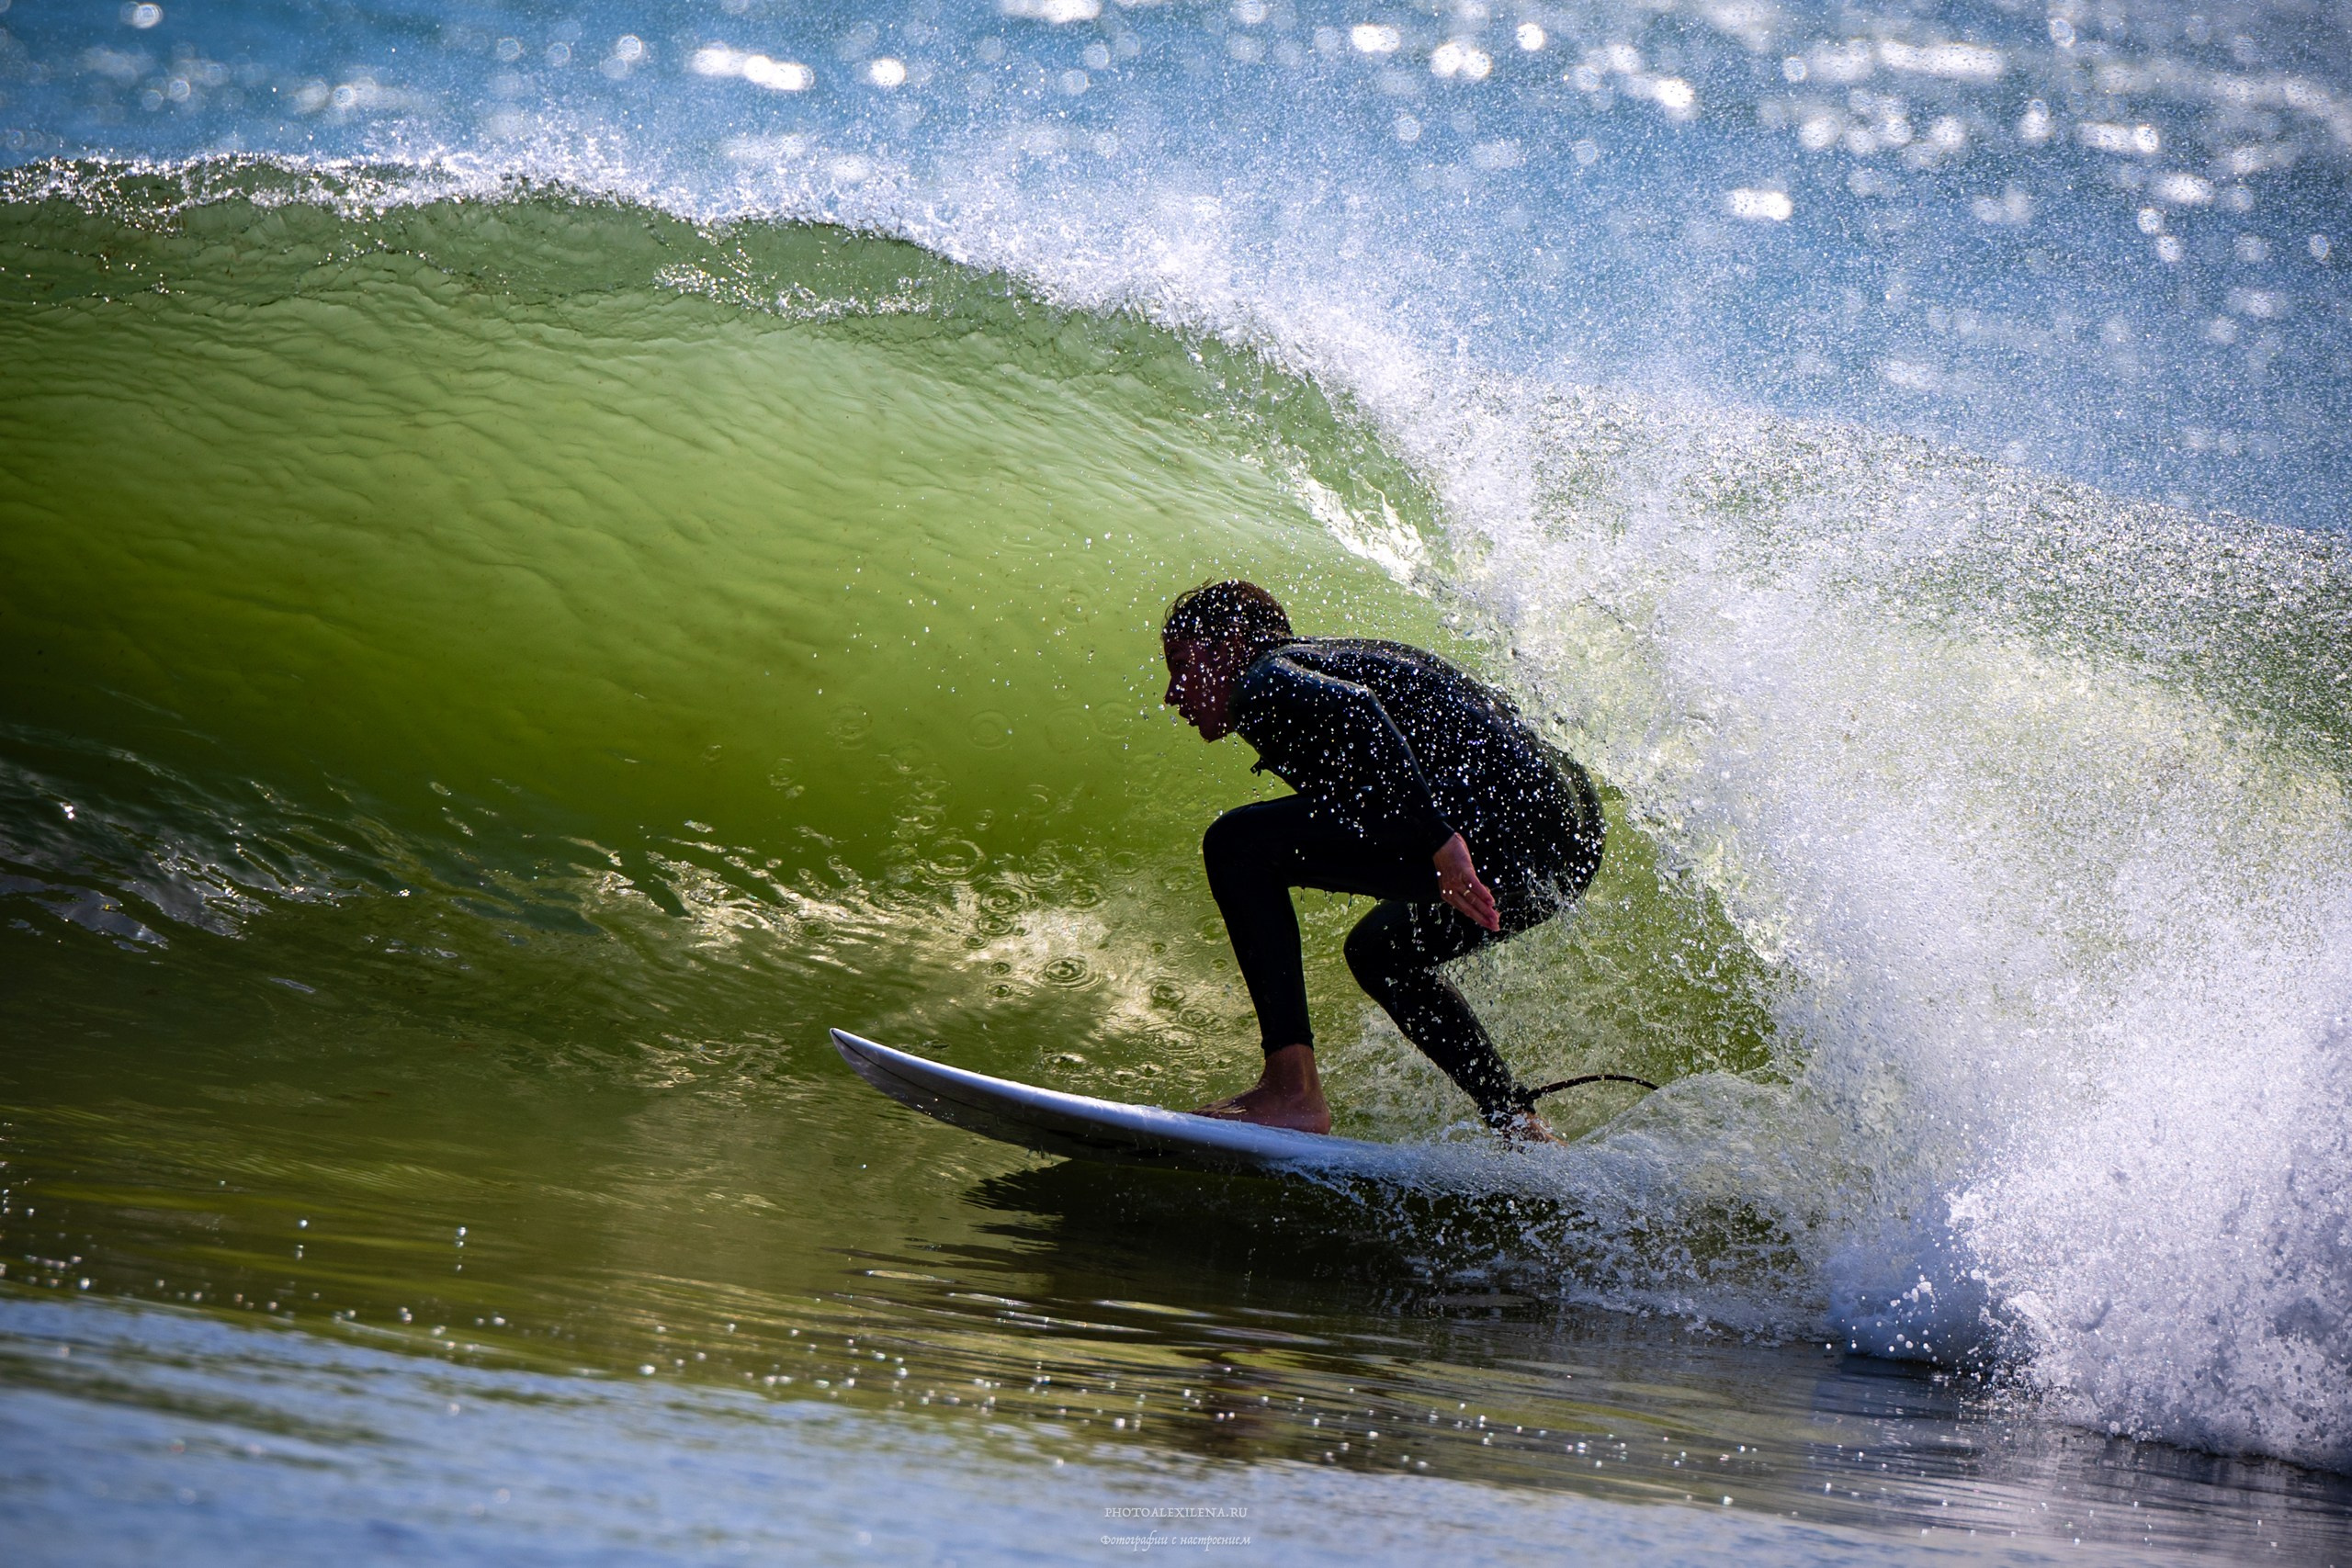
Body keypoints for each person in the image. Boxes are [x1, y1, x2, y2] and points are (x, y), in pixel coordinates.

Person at [1161, 580, 1605, 1145]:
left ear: (1226, 646)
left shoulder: (1262, 679)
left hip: (1503, 825)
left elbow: (1359, 709)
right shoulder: (1326, 661)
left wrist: (1441, 841)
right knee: (1380, 953)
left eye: (1180, 665)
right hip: (1566, 836)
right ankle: (1518, 1124)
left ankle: (1292, 1093)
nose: (1173, 693)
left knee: (1236, 844)